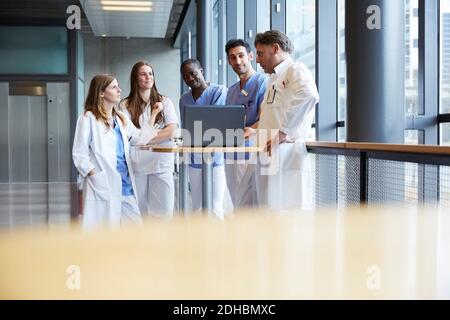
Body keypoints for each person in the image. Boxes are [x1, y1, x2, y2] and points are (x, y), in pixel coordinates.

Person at [72, 74, 162, 229]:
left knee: (136, 230)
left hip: (125, 184)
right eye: (114, 87)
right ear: (101, 92)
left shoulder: (120, 118)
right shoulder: (88, 118)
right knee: (102, 233)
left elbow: (140, 138)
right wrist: (95, 175)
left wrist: (153, 114)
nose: (119, 90)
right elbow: (79, 154)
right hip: (102, 183)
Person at [253, 30, 319, 211]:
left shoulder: (295, 69)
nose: (257, 60)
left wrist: (282, 133)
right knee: (267, 211)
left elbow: (309, 95)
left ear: (275, 48)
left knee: (287, 214)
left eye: (260, 53)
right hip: (269, 152)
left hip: (286, 152)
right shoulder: (272, 79)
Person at [119, 61, 178, 218]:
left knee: (164, 213)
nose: (148, 77)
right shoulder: (125, 105)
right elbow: (129, 135)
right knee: (138, 212)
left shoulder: (164, 102)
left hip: (162, 163)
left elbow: (172, 131)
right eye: (143, 74)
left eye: (150, 73)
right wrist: (157, 134)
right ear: (135, 79)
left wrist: (143, 138)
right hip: (138, 164)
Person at [179, 59, 228, 218]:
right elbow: (187, 128)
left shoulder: (218, 91)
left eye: (193, 73)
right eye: (185, 76)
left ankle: (217, 242)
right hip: (194, 159)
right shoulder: (184, 100)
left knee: (215, 207)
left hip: (215, 159)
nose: (190, 78)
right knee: (197, 207)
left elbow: (216, 124)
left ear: (202, 70)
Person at [224, 39, 267, 208]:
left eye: (241, 56)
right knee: (236, 202)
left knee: (250, 204)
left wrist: (250, 130)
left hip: (251, 152)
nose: (238, 61)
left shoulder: (262, 82)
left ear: (250, 56)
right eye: (233, 58)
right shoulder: (231, 91)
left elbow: (266, 118)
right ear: (229, 61)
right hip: (231, 153)